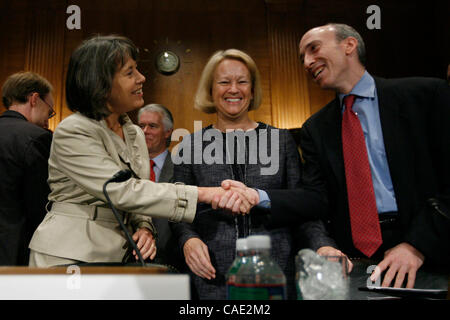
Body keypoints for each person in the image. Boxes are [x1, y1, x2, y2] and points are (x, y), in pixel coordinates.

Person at [251, 23, 449, 288]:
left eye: (314, 49)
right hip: (353, 261)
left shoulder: (426, 96)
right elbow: (317, 197)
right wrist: (258, 197)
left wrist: (416, 245)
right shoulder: (315, 128)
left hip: (428, 250)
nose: (308, 62)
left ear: (349, 45)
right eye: (302, 59)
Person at [28, 35, 254, 268]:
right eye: (130, 72)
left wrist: (145, 227)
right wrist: (208, 194)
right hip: (69, 256)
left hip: (120, 255)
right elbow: (123, 191)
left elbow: (139, 196)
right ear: (101, 82)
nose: (141, 78)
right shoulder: (73, 131)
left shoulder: (134, 133)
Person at [171, 49, 325, 300]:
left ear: (252, 90)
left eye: (242, 81)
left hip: (275, 271)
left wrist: (322, 245)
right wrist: (188, 240)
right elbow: (175, 209)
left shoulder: (281, 141)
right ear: (210, 90)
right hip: (212, 274)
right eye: (224, 82)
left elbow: (304, 206)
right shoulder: (189, 146)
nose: (234, 89)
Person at [0, 71, 55, 265]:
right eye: (49, 112)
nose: (47, 120)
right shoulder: (37, 137)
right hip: (16, 252)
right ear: (34, 99)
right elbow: (41, 204)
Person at [137, 103, 182, 269]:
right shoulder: (124, 168)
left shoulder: (180, 168)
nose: (145, 131)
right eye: (141, 125)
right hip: (127, 263)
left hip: (170, 263)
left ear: (168, 132)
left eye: (152, 126)